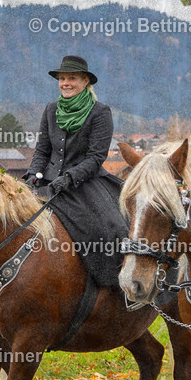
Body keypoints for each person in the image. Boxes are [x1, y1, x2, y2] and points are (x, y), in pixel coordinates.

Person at [22, 55, 127, 288]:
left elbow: (96, 157)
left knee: (115, 228)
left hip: (84, 183)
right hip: (47, 183)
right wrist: (32, 175)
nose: (65, 83)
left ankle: (116, 287)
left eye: (72, 78)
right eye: (61, 78)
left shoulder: (101, 112)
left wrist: (69, 177)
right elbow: (42, 151)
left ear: (86, 81)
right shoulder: (51, 110)